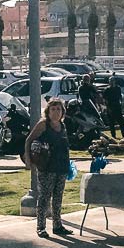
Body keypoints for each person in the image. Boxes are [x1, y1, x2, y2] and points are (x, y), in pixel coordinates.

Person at [23, 98, 72, 237]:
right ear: (48, 111)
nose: (56, 112)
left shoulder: (62, 126)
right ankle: (41, 227)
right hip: (46, 167)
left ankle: (57, 225)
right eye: (53, 109)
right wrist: (28, 160)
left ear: (62, 112)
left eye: (59, 109)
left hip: (61, 166)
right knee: (44, 197)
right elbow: (29, 140)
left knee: (58, 197)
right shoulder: (43, 125)